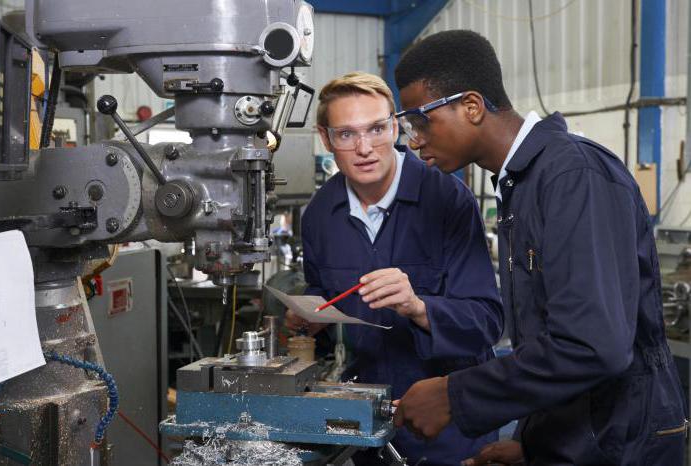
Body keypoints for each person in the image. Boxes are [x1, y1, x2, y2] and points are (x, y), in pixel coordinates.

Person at [391, 30, 687, 466]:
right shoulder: (523, 184)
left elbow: (592, 347)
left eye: (421, 122)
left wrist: (454, 395)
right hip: (583, 438)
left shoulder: (573, 176)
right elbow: (549, 343)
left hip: (623, 445)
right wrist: (535, 445)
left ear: (471, 106)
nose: (414, 142)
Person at [285, 71, 503, 465]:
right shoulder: (319, 215)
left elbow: (486, 322)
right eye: (347, 134)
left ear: (396, 127)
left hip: (448, 425)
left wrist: (419, 307)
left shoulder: (447, 198)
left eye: (377, 129)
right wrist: (308, 320)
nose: (365, 148)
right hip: (367, 423)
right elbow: (324, 304)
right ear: (326, 138)